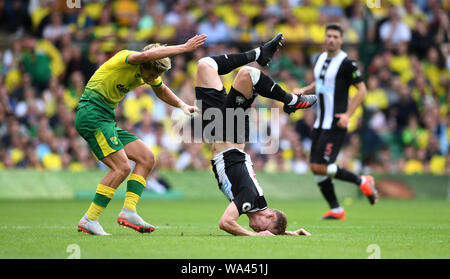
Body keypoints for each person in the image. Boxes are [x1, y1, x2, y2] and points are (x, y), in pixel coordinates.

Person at [75, 34, 207, 235]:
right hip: (92, 113)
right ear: (145, 62)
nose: (153, 78)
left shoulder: (148, 72)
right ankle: (89, 219)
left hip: (106, 118)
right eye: (152, 74)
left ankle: (128, 211)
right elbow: (149, 55)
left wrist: (181, 104)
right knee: (121, 167)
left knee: (147, 158)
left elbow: (161, 90)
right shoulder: (127, 58)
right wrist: (183, 48)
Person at [194, 33, 315, 236]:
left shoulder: (255, 203)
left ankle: (260, 54)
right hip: (230, 135)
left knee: (205, 65)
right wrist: (256, 236)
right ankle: (291, 100)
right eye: (263, 228)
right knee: (247, 75)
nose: (255, 228)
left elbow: (249, 222)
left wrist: (287, 233)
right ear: (269, 216)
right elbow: (225, 223)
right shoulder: (250, 200)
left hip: (216, 130)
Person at [291, 23, 377, 220]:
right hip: (320, 123)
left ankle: (361, 180)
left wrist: (347, 115)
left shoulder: (347, 63)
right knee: (314, 167)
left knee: (320, 166)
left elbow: (362, 90)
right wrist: (304, 90)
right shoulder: (320, 58)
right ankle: (337, 210)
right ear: (324, 37)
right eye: (328, 36)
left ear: (341, 40)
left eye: (335, 37)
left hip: (336, 122)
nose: (331, 39)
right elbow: (321, 84)